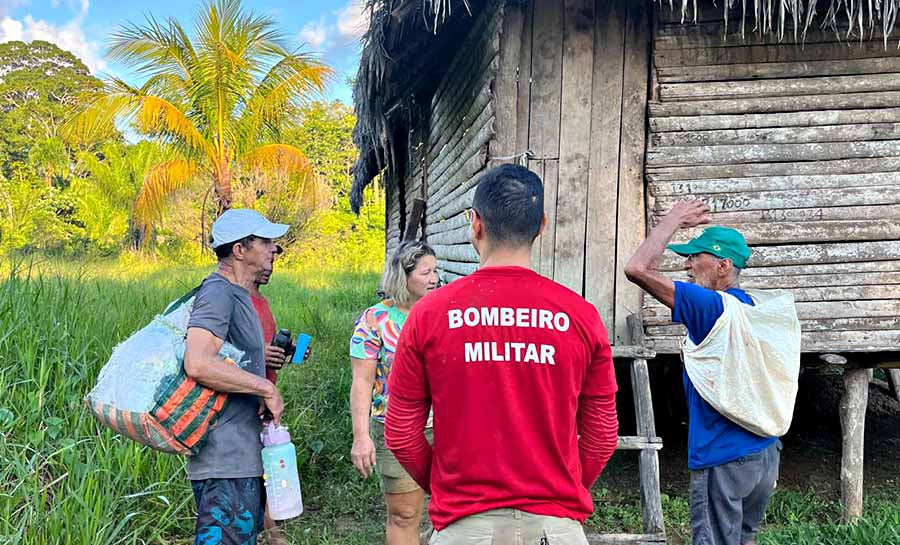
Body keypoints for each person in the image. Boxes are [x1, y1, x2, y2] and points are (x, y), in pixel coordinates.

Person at [384, 164, 619, 544]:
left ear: (475, 224)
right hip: (554, 527)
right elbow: (603, 435)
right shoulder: (581, 316)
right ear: (541, 225)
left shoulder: (429, 314)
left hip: (465, 527)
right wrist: (563, 488)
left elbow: (400, 432)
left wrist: (447, 490)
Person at [623, 201, 787, 545]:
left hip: (723, 458)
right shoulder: (753, 308)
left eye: (695, 256)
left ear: (723, 266)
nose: (687, 264)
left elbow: (637, 269)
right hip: (764, 455)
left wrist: (671, 221)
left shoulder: (710, 306)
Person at [183, 208, 288, 545]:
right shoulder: (218, 293)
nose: (274, 249)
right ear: (239, 250)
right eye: (266, 241)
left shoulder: (242, 297)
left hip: (241, 455)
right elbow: (197, 361)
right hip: (222, 460)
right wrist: (265, 389)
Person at [349, 240, 439, 545]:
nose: (434, 279)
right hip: (397, 428)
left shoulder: (443, 312)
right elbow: (361, 382)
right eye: (426, 272)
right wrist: (361, 437)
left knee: (450, 511)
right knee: (404, 515)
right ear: (403, 276)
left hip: (447, 427)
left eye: (435, 271)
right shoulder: (375, 320)